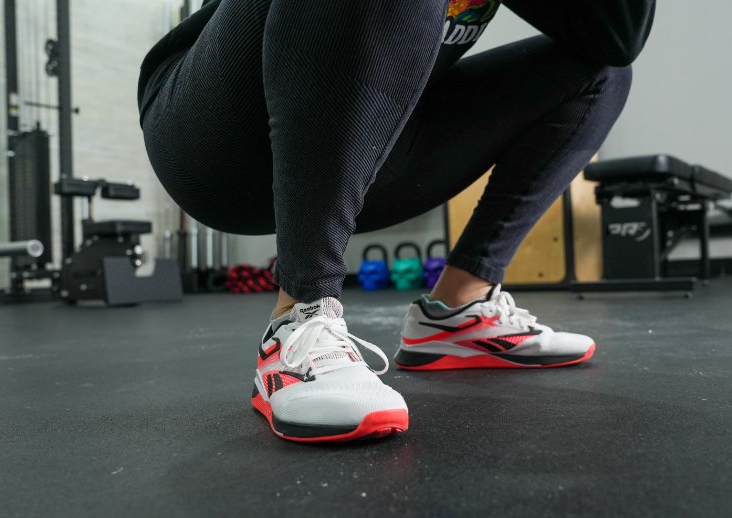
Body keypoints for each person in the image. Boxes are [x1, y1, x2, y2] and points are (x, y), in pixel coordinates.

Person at [138, 0, 655, 442]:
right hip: (212, 133)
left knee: (597, 73)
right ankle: (298, 320)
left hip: (361, 129)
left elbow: (619, 35)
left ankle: (459, 310)